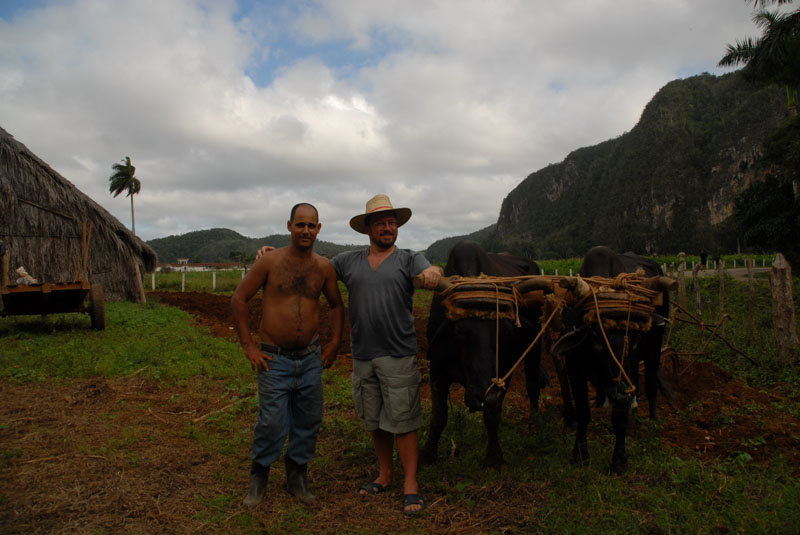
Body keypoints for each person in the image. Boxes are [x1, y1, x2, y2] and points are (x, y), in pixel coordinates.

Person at [333, 194, 442, 516]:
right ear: (367, 228)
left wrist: (434, 271)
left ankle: (411, 483)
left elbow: (431, 271)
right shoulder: (347, 261)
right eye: (380, 222)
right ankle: (385, 473)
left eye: (392, 222)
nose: (387, 227)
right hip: (363, 354)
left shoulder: (409, 258)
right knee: (374, 419)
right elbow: (311, 266)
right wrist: (273, 254)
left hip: (398, 354)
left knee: (404, 420)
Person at [232, 202, 344, 508]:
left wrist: (334, 342)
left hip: (310, 357)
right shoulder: (270, 262)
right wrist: (248, 346)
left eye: (311, 225)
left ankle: (297, 477)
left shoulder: (323, 267)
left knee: (309, 419)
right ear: (289, 226)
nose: (306, 230)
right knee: (271, 421)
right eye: (300, 225)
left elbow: (336, 305)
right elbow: (239, 298)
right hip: (274, 358)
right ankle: (259, 477)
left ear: (319, 229)